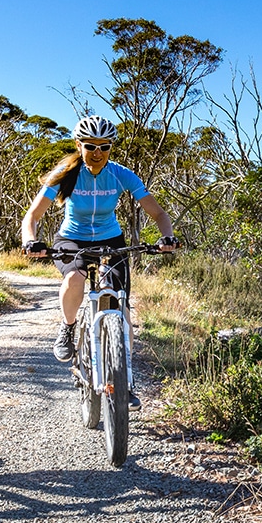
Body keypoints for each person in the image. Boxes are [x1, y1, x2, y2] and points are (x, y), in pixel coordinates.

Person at [20, 115, 178, 363]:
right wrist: (30, 241)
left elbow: (158, 213)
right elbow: (33, 215)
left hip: (111, 240)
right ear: (78, 145)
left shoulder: (120, 174)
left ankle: (125, 379)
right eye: (91, 145)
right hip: (72, 239)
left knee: (120, 304)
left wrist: (167, 237)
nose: (97, 152)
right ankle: (68, 327)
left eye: (104, 146)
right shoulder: (66, 174)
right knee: (74, 278)